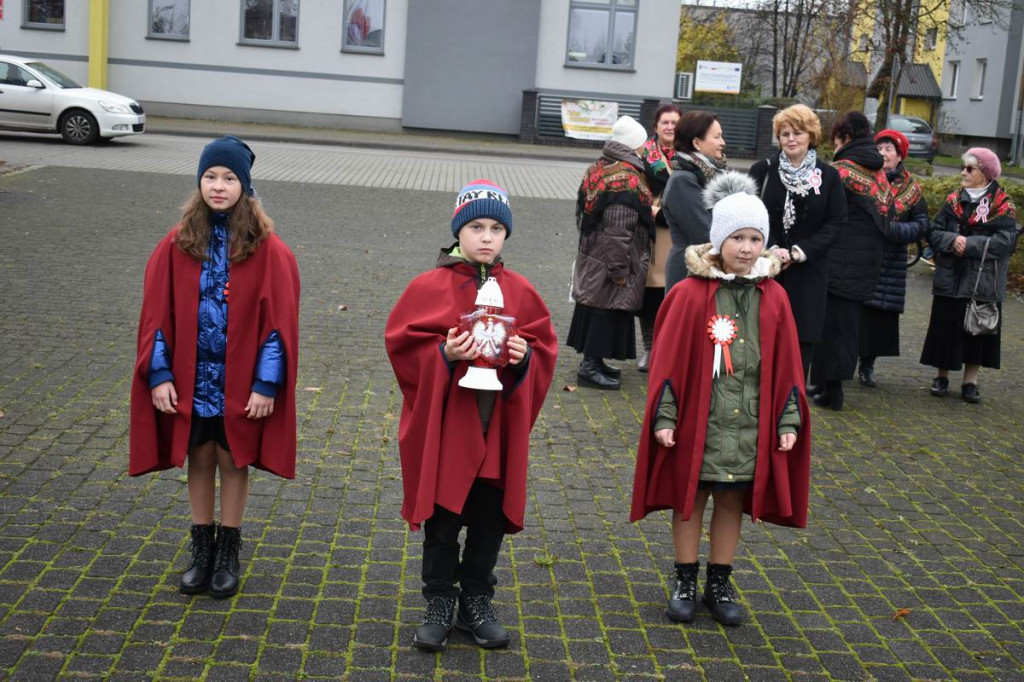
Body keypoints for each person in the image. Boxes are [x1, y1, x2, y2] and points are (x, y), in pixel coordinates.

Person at [630, 172, 811, 627]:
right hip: (698, 421)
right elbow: (667, 364)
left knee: (731, 501)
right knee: (690, 500)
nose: (747, 248)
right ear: (717, 240)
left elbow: (789, 367)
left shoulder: (776, 299)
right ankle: (685, 578)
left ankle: (720, 580)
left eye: (755, 238)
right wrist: (664, 415)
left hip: (749, 424)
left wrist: (788, 420)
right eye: (737, 238)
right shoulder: (689, 295)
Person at [385, 180, 557, 651]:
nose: (486, 237)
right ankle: (439, 600)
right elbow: (402, 345)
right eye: (476, 226)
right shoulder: (429, 286)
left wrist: (523, 358)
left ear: (506, 235)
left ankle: (476, 602)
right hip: (449, 431)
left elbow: (543, 349)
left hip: (496, 431)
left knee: (486, 521)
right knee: (443, 522)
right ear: (459, 230)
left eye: (496, 228)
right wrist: (442, 353)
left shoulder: (519, 290)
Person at [130, 136, 301, 599]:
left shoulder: (266, 248)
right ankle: (200, 547)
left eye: (228, 178)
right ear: (199, 182)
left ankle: (229, 549)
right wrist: (160, 374)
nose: (218, 186)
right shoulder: (178, 242)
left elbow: (277, 323)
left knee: (233, 457)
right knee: (200, 455)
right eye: (210, 177)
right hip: (191, 378)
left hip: (240, 382)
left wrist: (267, 382)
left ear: (244, 186)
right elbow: (156, 316)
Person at [749, 104, 846, 379]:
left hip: (808, 275)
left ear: (811, 135)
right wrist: (772, 247)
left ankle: (790, 407)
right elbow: (749, 215)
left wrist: (798, 252)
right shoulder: (762, 170)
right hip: (766, 271)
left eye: (798, 133)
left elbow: (836, 223)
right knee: (761, 339)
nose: (791, 139)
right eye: (785, 134)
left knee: (799, 348)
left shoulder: (828, 177)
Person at [809, 112, 892, 410]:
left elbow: (819, 210)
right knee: (846, 327)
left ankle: (832, 392)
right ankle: (822, 384)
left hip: (839, 259)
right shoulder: (878, 171)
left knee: (830, 327)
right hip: (867, 262)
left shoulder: (841, 170)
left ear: (842, 138)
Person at [921, 148, 1017, 403]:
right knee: (946, 326)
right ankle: (941, 377)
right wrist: (953, 240)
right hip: (951, 275)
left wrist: (970, 244)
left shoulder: (1003, 205)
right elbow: (933, 230)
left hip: (983, 279)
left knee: (979, 330)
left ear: (984, 174)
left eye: (970, 168)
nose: (963, 172)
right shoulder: (953, 200)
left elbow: (1007, 241)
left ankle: (970, 382)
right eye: (964, 167)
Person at [568, 116, 654, 390]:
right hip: (611, 260)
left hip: (593, 255)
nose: (645, 150)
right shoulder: (625, 179)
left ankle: (596, 363)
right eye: (642, 145)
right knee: (604, 311)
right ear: (633, 146)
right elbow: (618, 230)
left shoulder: (600, 166)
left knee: (596, 309)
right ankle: (590, 368)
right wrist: (619, 270)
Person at [857, 129, 930, 387]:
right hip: (862, 256)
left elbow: (922, 225)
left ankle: (867, 365)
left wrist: (894, 231)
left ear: (900, 156)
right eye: (879, 148)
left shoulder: (911, 188)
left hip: (891, 262)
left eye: (889, 149)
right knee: (856, 312)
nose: (883, 154)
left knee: (879, 317)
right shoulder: (864, 179)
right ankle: (844, 361)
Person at [636, 104, 682, 371]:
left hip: (679, 230)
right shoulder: (643, 154)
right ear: (655, 127)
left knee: (674, 292)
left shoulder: (691, 153)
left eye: (675, 122)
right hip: (652, 228)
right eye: (665, 122)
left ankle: (670, 348)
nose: (670, 127)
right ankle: (649, 347)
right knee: (650, 292)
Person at [662, 110, 727, 291]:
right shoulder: (683, 180)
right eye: (717, 137)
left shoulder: (708, 174)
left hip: (706, 267)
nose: (723, 143)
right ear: (697, 142)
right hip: (690, 272)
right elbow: (703, 234)